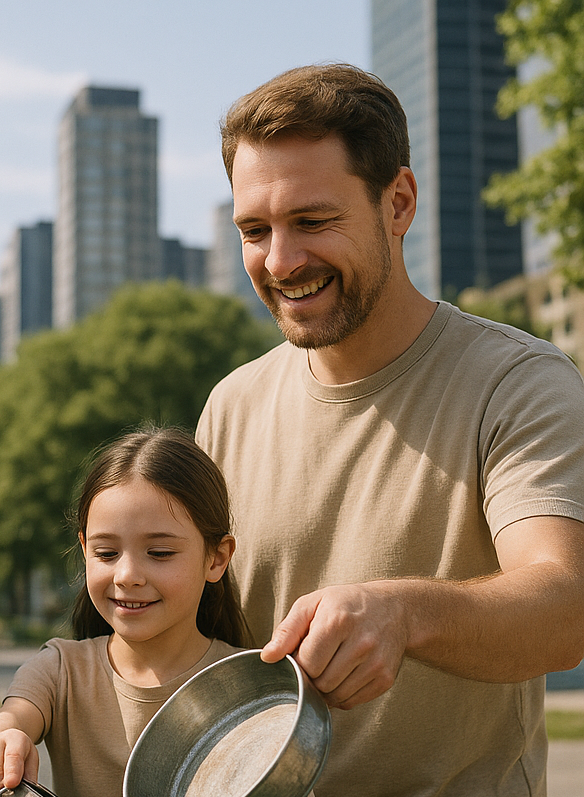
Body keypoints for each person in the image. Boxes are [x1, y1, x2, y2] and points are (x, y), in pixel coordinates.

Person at [197, 62, 584, 796]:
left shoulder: (518, 381)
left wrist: (405, 613)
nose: (281, 260)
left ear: (398, 203)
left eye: (312, 221)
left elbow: (567, 606)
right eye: (256, 230)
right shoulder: (229, 407)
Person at [0, 426, 252, 797]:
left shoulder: (252, 684)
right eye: (106, 553)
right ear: (84, 550)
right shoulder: (60, 671)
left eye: (160, 553)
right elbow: (8, 720)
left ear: (217, 557)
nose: (127, 576)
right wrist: (2, 738)